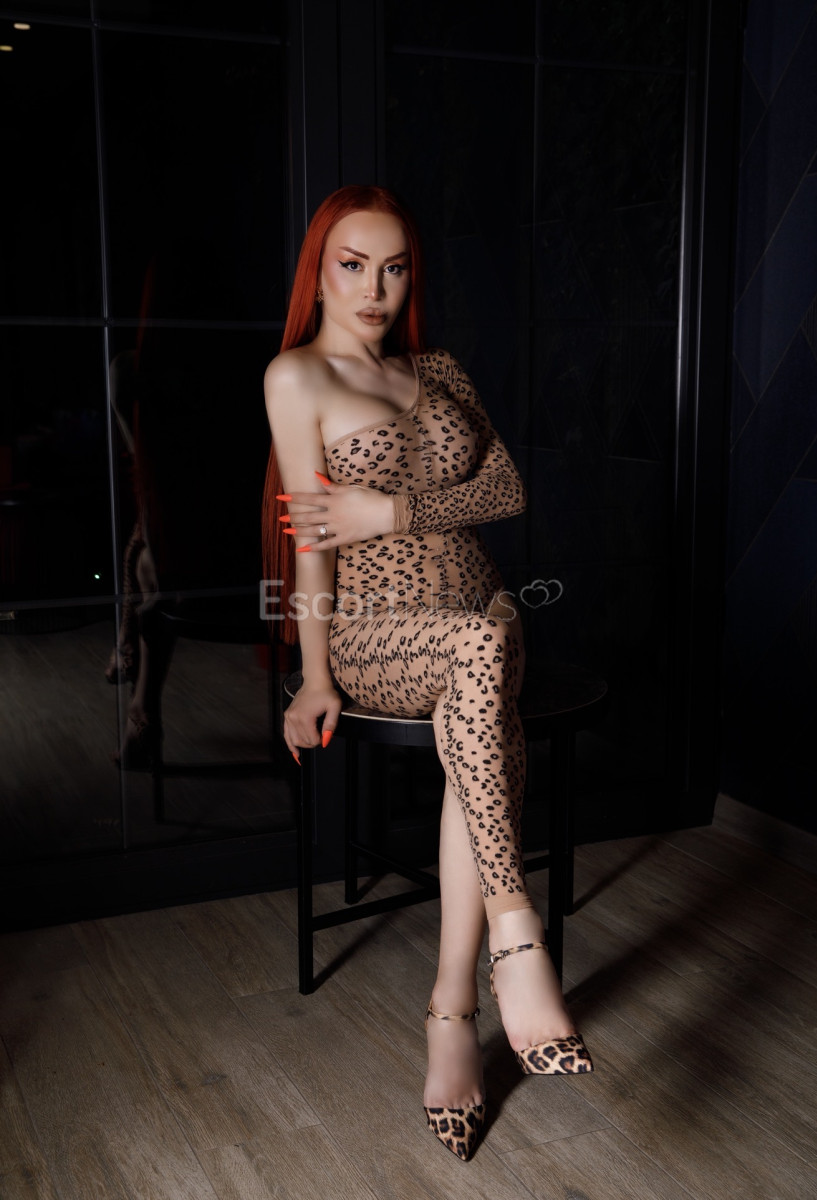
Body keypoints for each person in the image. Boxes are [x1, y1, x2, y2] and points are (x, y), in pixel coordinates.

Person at [262, 185, 593, 1162]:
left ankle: (452, 1012)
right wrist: (313, 675)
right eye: (352, 265)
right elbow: (311, 549)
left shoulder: (437, 369)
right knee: (476, 665)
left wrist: (390, 512)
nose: (374, 288)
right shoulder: (296, 376)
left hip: (481, 612)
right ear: (320, 272)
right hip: (377, 631)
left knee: (479, 683)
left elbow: (507, 487)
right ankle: (514, 942)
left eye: (394, 267)